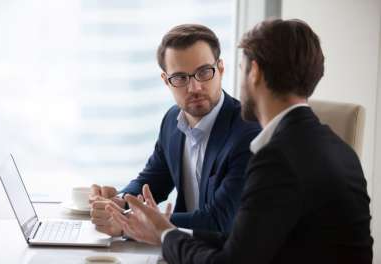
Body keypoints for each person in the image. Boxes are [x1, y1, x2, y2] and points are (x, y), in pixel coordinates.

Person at [105, 19, 373, 263]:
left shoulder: (275, 155)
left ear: (253, 72)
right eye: (182, 78)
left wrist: (163, 233)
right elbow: (244, 243)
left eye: (242, 68)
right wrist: (146, 221)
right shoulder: (337, 148)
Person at [89, 24, 261, 236]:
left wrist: (130, 222)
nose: (195, 87)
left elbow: (220, 220)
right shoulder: (172, 121)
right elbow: (152, 181)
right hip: (179, 250)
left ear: (221, 69)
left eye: (204, 72)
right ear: (166, 81)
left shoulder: (248, 132)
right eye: (180, 78)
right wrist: (118, 202)